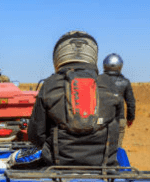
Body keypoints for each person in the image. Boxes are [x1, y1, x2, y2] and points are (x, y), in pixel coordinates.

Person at [25, 30, 122, 167]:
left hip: (56, 165)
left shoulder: (50, 84)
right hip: (104, 166)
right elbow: (118, 128)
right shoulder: (109, 84)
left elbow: (36, 134)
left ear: (59, 55)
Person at [98, 53, 135, 147]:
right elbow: (131, 103)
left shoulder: (97, 80)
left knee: (99, 147)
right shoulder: (125, 82)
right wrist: (130, 118)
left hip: (100, 120)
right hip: (119, 120)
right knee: (117, 148)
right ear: (120, 65)